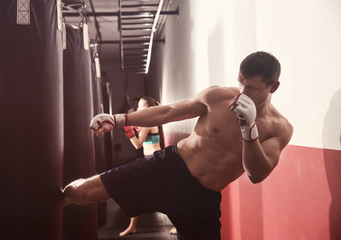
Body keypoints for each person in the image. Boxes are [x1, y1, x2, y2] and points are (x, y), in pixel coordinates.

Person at [62, 51, 293, 240]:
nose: (241, 93)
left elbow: (257, 174)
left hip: (202, 198)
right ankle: (45, 206)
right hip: (168, 168)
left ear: (273, 87)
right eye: (240, 83)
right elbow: (168, 111)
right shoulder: (217, 97)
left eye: (251, 88)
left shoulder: (279, 129)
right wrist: (118, 119)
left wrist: (248, 129)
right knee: (82, 192)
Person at [120, 96, 176, 236]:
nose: (138, 109)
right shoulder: (147, 122)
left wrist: (128, 132)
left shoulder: (148, 123)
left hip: (154, 160)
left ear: (149, 108)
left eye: (142, 106)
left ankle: (178, 225)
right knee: (139, 192)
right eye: (137, 106)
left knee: (161, 194)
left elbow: (138, 144)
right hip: (149, 159)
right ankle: (133, 226)